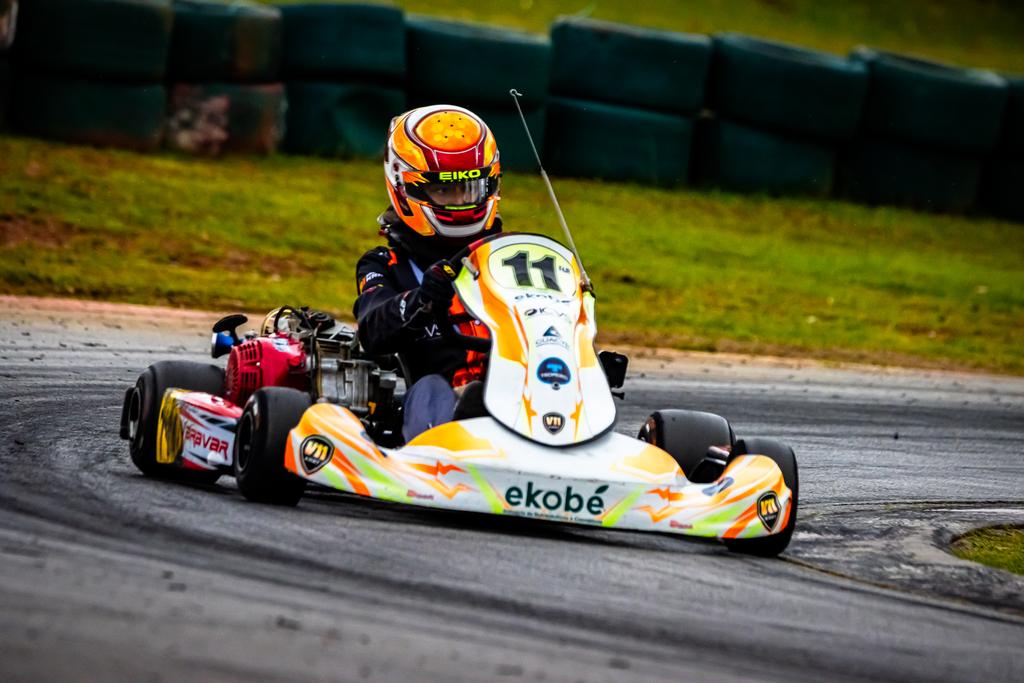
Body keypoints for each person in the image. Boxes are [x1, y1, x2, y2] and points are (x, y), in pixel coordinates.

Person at [354, 105, 502, 441]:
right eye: (443, 190)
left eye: (471, 188)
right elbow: (373, 330)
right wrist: (421, 300)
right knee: (434, 388)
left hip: (516, 397)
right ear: (405, 187)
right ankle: (459, 434)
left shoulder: (508, 260)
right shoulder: (387, 265)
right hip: (432, 410)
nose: (461, 202)